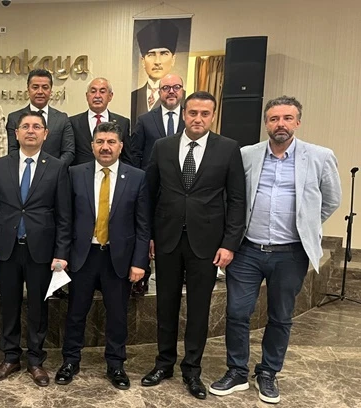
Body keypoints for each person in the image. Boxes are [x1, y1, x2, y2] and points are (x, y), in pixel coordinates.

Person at [209, 96, 341, 404]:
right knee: (237, 312)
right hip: (247, 250)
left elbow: (331, 200)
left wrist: (305, 224)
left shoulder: (320, 157)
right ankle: (237, 371)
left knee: (280, 316)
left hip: (290, 253)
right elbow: (232, 196)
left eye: (287, 118)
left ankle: (268, 372)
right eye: (274, 119)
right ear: (266, 123)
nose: (280, 124)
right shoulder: (247, 155)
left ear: (297, 122)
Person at [142, 91, 246, 400]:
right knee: (165, 305)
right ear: (183, 114)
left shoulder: (228, 149)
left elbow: (237, 201)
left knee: (199, 309)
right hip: (167, 239)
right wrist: (149, 235)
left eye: (205, 113)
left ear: (213, 116)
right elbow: (149, 194)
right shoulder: (162, 147)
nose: (198, 119)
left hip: (207, 243)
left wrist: (229, 244)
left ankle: (192, 369)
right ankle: (164, 363)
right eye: (193, 113)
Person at [55, 122, 150, 390]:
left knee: (117, 315)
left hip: (118, 258)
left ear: (120, 146)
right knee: (75, 313)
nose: (105, 147)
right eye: (100, 142)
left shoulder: (137, 177)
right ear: (92, 146)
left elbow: (143, 226)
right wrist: (61, 255)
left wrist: (139, 262)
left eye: (111, 142)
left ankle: (116, 364)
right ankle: (70, 361)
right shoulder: (75, 174)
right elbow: (65, 220)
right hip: (82, 256)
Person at [0, 111, 71, 387]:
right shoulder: (1, 165)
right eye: (25, 126)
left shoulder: (57, 167)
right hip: (7, 249)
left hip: (41, 250)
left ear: (46, 133)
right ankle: (10, 357)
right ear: (16, 133)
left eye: (36, 126)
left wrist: (61, 253)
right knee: (8, 304)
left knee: (38, 307)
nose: (31, 130)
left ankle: (35, 359)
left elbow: (64, 216)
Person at [129, 73, 186, 296]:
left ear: (182, 91)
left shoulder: (190, 119)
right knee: (146, 230)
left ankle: (180, 273)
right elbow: (135, 153)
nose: (171, 91)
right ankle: (142, 277)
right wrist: (140, 182)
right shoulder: (145, 120)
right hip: (151, 188)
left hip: (182, 189)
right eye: (166, 88)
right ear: (159, 92)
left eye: (176, 87)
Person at [6, 69, 75, 164]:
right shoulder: (14, 118)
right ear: (28, 89)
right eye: (35, 87)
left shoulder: (62, 119)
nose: (40, 91)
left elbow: (68, 152)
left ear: (50, 90)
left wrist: (54, 168)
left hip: (54, 171)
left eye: (45, 87)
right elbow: (12, 150)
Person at [71, 78, 135, 167]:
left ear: (110, 96)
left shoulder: (122, 122)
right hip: (82, 173)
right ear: (87, 96)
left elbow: (126, 157)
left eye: (102, 91)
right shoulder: (73, 122)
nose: (97, 96)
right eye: (93, 91)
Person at [130, 20, 179, 123]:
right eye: (151, 55)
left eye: (164, 54)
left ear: (173, 59)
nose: (157, 62)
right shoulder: (133, 97)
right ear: (143, 61)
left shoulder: (182, 98)